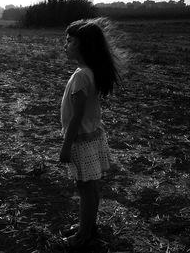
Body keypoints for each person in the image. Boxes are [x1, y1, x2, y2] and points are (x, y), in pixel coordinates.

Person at [59, 17, 121, 248]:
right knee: (92, 187)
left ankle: (83, 236)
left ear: (83, 46)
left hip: (80, 140)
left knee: (85, 189)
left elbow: (76, 117)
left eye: (69, 41)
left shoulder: (81, 76)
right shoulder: (90, 72)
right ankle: (89, 226)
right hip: (93, 136)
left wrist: (66, 146)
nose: (65, 46)